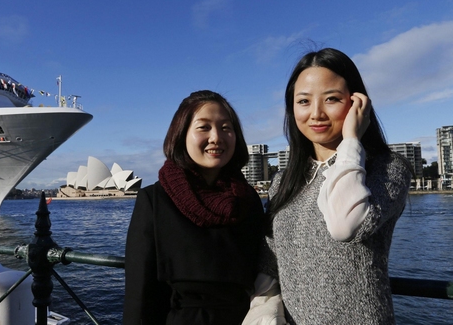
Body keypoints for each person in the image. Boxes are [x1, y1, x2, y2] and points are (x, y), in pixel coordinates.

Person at [244, 48, 412, 325]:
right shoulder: (282, 182)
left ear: (358, 103)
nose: (316, 114)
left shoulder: (387, 168)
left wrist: (350, 141)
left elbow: (345, 225)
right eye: (304, 101)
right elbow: (270, 260)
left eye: (332, 99)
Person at [123, 90, 264, 325]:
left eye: (226, 128)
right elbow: (139, 296)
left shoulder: (247, 200)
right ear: (181, 135)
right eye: (203, 127)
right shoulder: (155, 200)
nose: (216, 137)